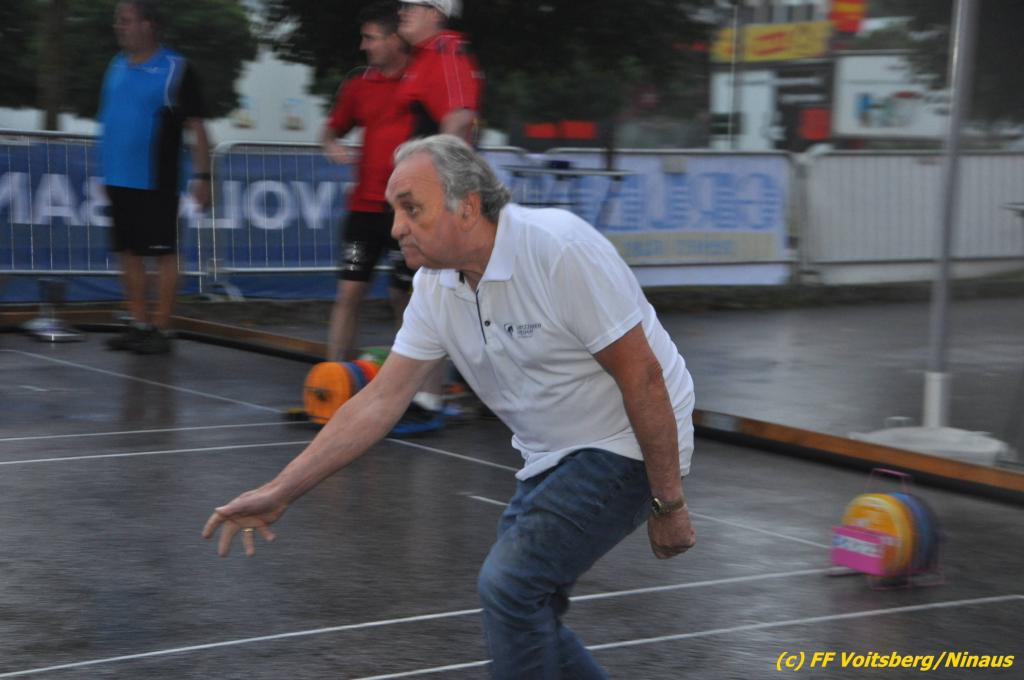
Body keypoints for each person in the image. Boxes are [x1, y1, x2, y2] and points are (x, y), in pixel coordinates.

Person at [203, 135, 697, 678]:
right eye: (394, 210)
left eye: (411, 208)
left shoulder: (558, 248)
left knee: (511, 586)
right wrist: (280, 491)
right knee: (523, 608)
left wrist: (668, 504)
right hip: (551, 452)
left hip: (628, 438)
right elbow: (379, 401)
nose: (396, 227)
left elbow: (643, 377)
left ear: (467, 207)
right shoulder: (435, 288)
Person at [99, 0, 211, 354]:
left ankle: (162, 330)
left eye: (125, 20)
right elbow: (112, 120)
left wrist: (204, 176)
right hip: (119, 178)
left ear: (147, 25)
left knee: (164, 254)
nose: (118, 26)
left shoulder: (176, 68)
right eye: (117, 20)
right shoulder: (115, 65)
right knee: (128, 252)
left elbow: (197, 127)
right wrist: (105, 171)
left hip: (156, 179)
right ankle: (139, 324)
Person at [322, 2, 415, 365]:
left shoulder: (422, 81)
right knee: (349, 291)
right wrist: (332, 145)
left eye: (370, 38)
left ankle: (412, 381)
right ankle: (334, 375)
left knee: (404, 296)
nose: (363, 46)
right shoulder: (358, 84)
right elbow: (330, 131)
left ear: (395, 39)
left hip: (407, 213)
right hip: (363, 211)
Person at [396, 0, 482, 143]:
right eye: (401, 6)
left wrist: (445, 156)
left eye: (410, 7)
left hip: (429, 155)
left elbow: (460, 119)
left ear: (435, 13)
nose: (401, 12)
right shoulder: (425, 54)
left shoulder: (447, 51)